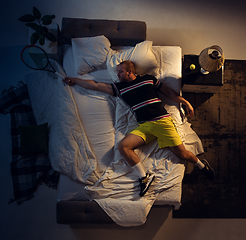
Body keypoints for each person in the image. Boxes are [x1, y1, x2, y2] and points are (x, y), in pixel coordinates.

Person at [63, 60, 215, 197]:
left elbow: (168, 92)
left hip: (162, 122)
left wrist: (185, 102)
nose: (117, 74)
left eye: (120, 71)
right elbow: (95, 85)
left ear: (129, 72)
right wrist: (75, 80)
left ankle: (201, 165)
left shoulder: (148, 79)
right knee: (123, 147)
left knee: (183, 155)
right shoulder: (119, 87)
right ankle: (144, 177)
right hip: (144, 126)